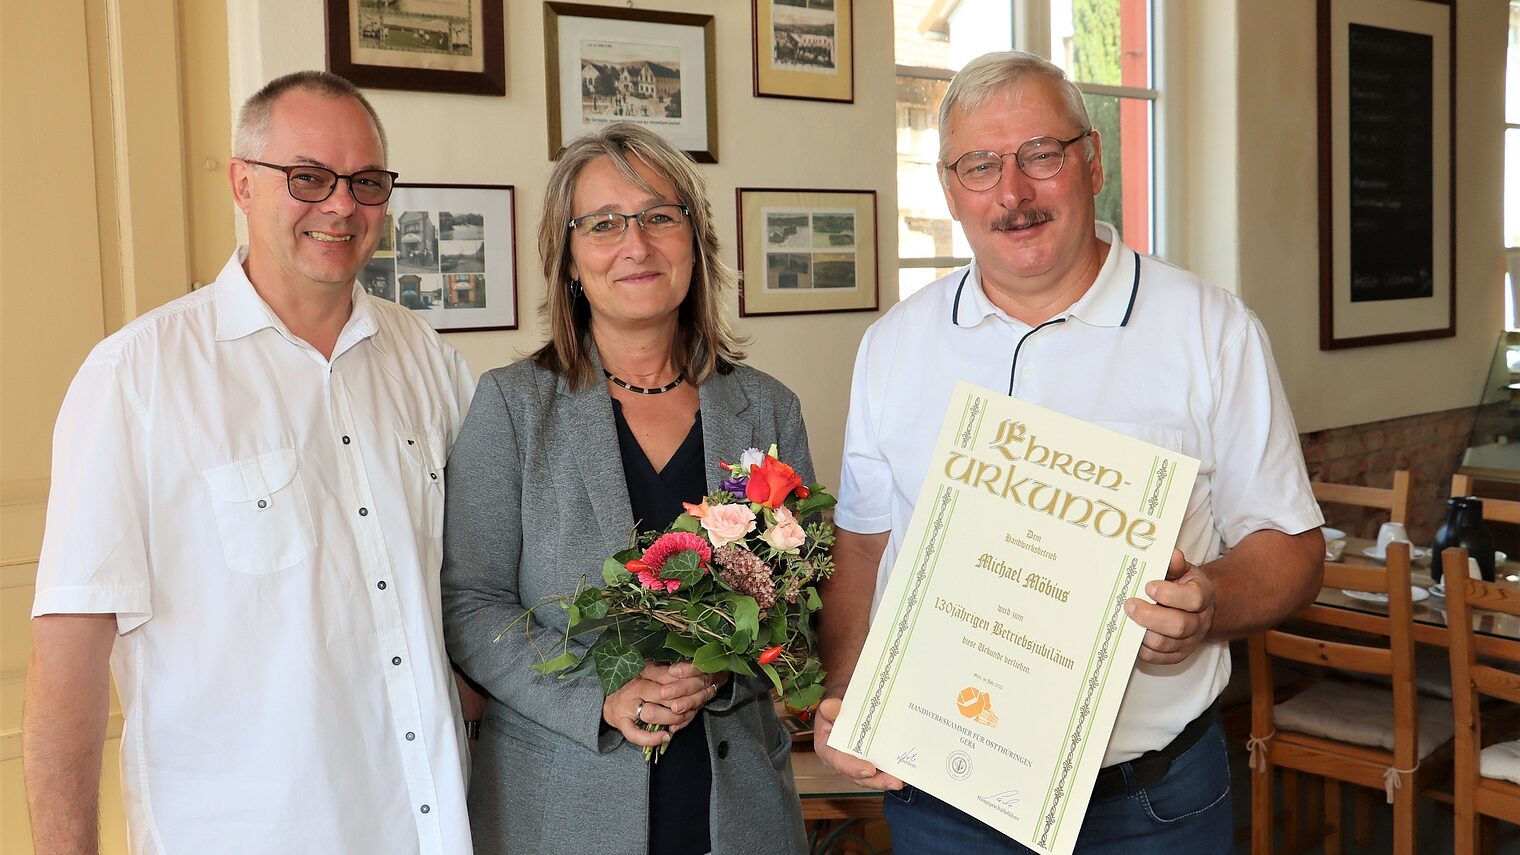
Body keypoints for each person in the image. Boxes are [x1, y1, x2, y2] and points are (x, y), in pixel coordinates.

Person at [813, 51, 1326, 854]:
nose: (1012, 193)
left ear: (1091, 161)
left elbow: (1293, 548)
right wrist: (845, 691)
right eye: (980, 166)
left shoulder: (1212, 331)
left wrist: (1211, 603)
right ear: (951, 190)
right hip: (942, 798)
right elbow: (865, 543)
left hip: (1147, 805)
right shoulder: (892, 345)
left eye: (1039, 156)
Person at [23, 71, 477, 854]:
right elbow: (67, 665)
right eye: (308, 177)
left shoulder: (432, 363)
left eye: (367, 182)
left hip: (426, 826)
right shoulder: (134, 378)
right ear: (242, 182)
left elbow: (469, 596)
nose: (341, 205)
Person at [441, 123, 809, 855]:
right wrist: (599, 695)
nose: (635, 245)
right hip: (561, 805)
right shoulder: (512, 407)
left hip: (738, 809)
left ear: (694, 241)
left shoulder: (767, 410)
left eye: (658, 217)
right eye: (603, 224)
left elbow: (797, 604)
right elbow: (469, 604)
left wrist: (721, 673)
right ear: (570, 259)